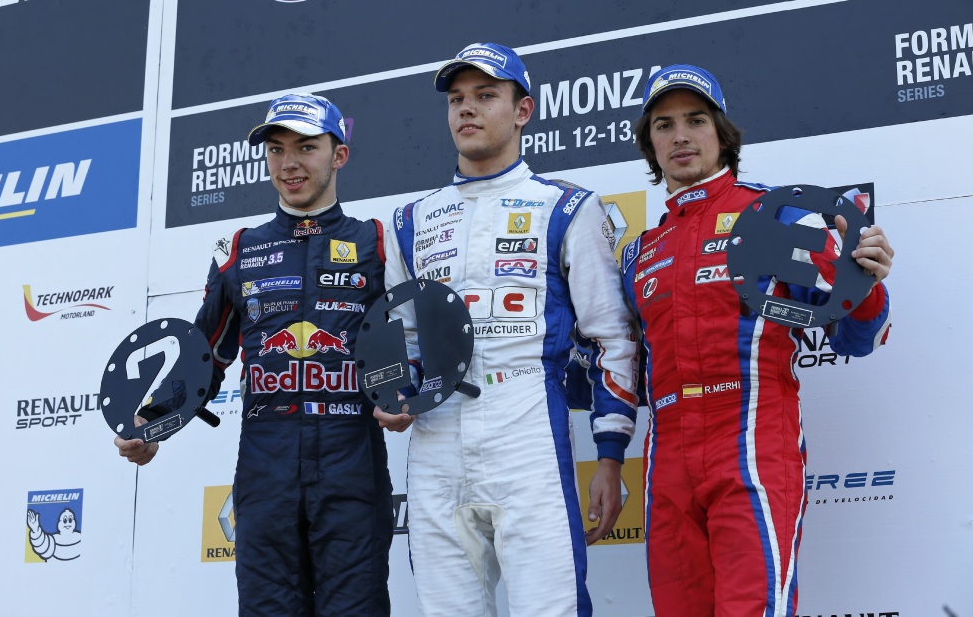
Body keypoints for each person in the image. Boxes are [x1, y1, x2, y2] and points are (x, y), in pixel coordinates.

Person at [375, 42, 639, 616]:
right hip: (435, 437)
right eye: (457, 100)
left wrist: (611, 452)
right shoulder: (408, 220)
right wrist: (395, 389)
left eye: (486, 96)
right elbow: (401, 339)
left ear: (523, 111)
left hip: (527, 429)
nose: (467, 110)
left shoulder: (567, 207)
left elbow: (610, 338)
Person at [621, 64, 894, 616]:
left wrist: (865, 281)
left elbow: (858, 336)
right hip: (666, 454)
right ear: (649, 146)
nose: (679, 136)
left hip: (748, 439)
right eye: (663, 125)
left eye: (695, 120)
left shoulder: (774, 215)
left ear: (721, 133)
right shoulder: (639, 252)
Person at [114, 94, 393, 617]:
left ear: (339, 155)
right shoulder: (239, 249)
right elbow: (203, 360)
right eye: (277, 149)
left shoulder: (375, 243)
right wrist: (152, 425)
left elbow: (407, 349)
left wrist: (404, 398)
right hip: (267, 464)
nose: (289, 163)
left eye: (306, 147)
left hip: (352, 460)